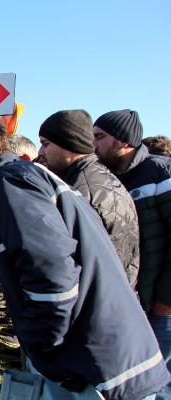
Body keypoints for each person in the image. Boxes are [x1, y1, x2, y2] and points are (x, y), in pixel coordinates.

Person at [0, 117, 168, 399]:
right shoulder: (26, 177)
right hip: (107, 358)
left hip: (98, 369)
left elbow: (52, 275)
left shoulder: (10, 183)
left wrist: (42, 345)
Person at [93, 109, 171, 396]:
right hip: (136, 302)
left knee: (158, 385)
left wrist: (166, 302)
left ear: (124, 141)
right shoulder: (111, 179)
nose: (94, 145)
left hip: (162, 308)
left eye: (100, 137)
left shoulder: (161, 173)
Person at [37, 109, 139, 289]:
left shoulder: (81, 189)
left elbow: (71, 261)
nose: (41, 151)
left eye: (46, 144)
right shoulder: (96, 177)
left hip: (95, 304)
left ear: (69, 144)